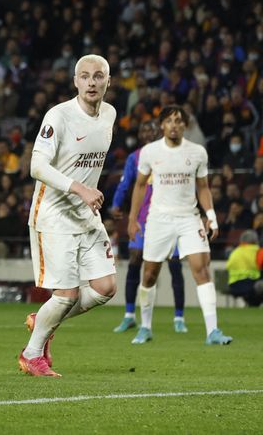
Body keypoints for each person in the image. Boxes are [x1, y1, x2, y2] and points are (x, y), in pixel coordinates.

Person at [19, 54, 118, 378]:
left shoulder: (109, 114)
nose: (92, 82)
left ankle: (45, 320)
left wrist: (85, 194)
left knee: (105, 288)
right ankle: (32, 354)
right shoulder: (58, 116)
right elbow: (36, 167)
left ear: (107, 81)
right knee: (66, 296)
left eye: (98, 76)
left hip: (84, 214)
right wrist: (79, 188)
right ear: (75, 81)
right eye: (85, 76)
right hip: (53, 214)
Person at [127, 105, 232, 345]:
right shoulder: (150, 152)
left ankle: (213, 331)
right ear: (162, 125)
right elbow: (140, 186)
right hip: (158, 219)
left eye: (178, 120)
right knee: (150, 273)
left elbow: (203, 187)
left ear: (185, 125)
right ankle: (145, 327)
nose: (174, 124)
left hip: (189, 217)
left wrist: (211, 216)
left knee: (201, 268)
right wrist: (133, 219)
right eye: (169, 121)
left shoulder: (197, 152)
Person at [110, 121, 187, 333]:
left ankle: (179, 317)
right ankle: (128, 315)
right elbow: (125, 184)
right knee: (135, 260)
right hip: (143, 220)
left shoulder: (174, 153)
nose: (146, 133)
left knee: (174, 264)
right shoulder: (134, 158)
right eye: (143, 129)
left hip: (170, 218)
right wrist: (116, 203)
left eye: (150, 129)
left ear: (158, 131)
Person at [225, 229, 263, 307]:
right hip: (251, 285)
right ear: (255, 240)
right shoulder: (258, 251)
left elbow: (227, 266)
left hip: (233, 286)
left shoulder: (235, 252)